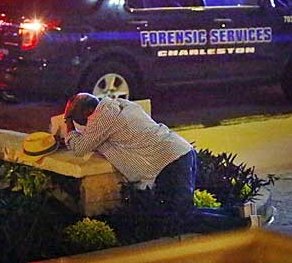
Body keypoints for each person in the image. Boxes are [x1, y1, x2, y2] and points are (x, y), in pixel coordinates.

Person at [62, 93, 250, 230]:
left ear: (88, 112)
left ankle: (244, 225)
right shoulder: (115, 106)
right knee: (180, 212)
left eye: (79, 120)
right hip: (176, 155)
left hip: (169, 161)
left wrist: (67, 121)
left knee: (179, 218)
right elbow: (96, 139)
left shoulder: (103, 117)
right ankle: (239, 213)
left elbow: (79, 148)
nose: (84, 126)